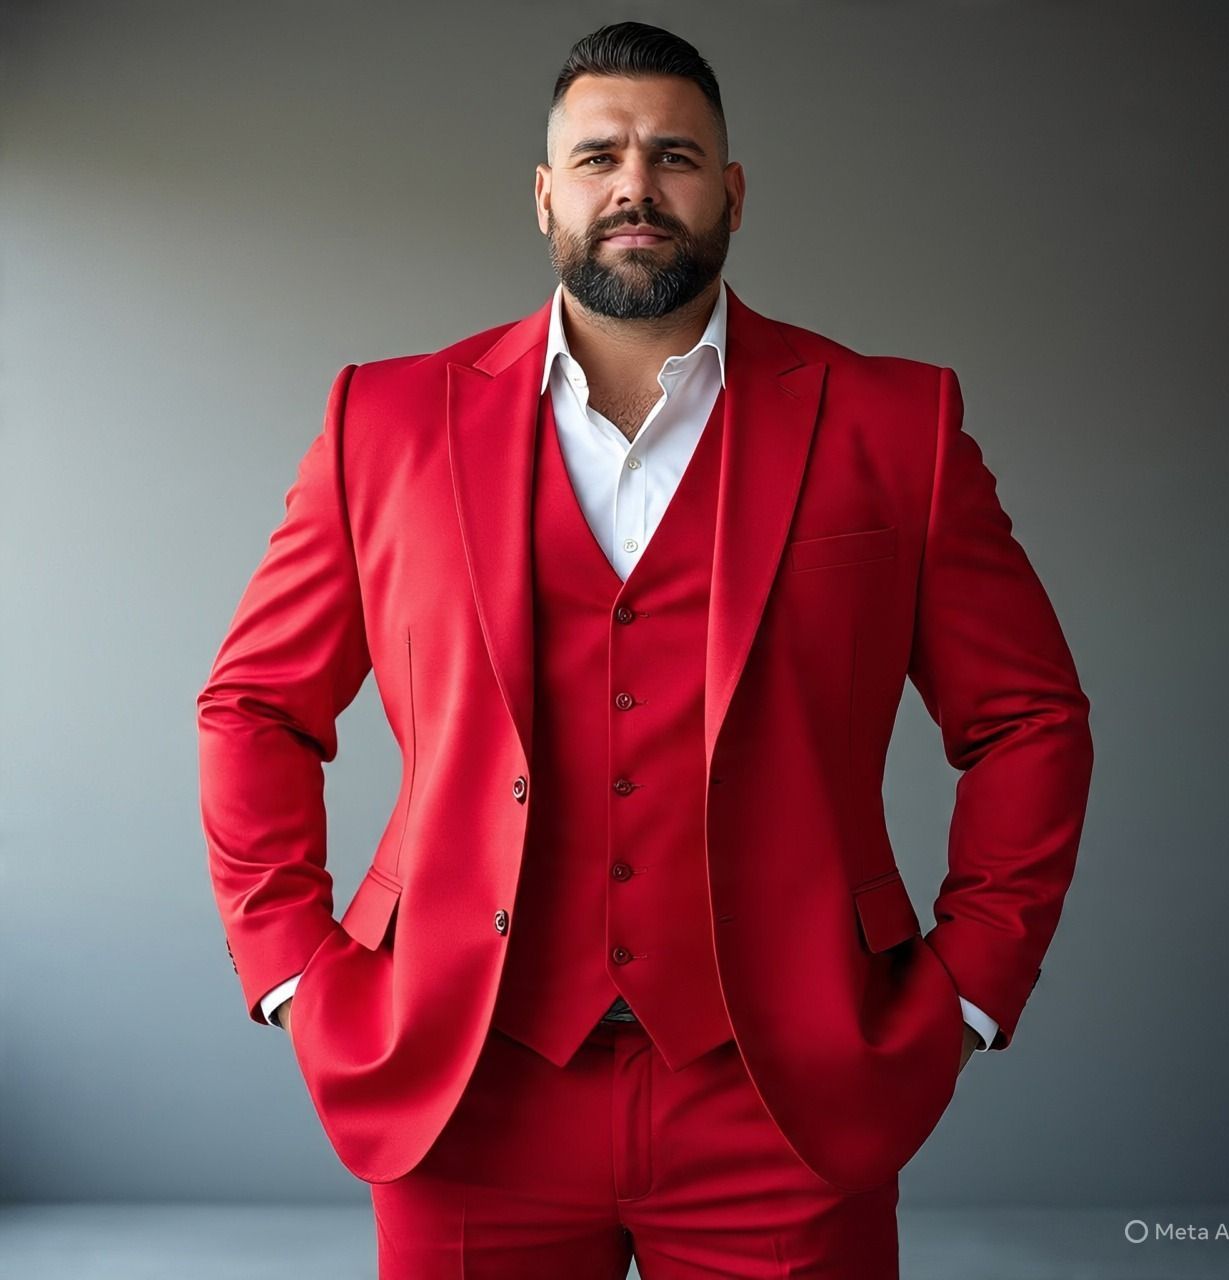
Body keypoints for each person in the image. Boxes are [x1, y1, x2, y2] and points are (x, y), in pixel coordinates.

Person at [197, 20, 1094, 1278]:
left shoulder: (898, 423)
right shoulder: (384, 420)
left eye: (674, 155)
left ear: (729, 194)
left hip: (782, 1089)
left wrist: (963, 991)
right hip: (467, 1082)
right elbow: (253, 706)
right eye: (599, 153)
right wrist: (294, 969)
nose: (634, 183)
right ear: (544, 194)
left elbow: (1030, 719)